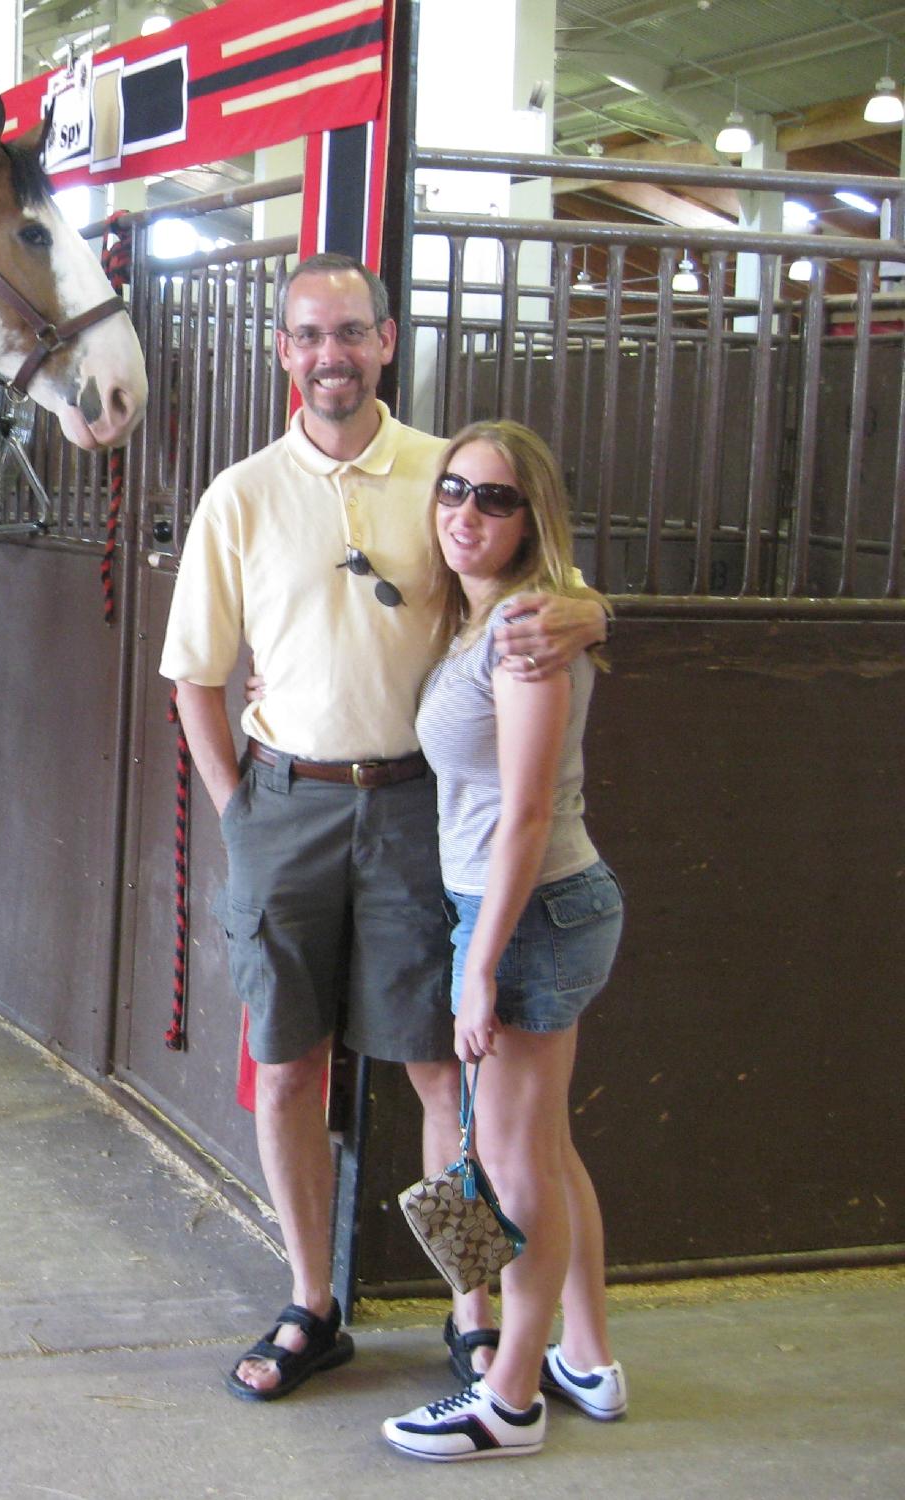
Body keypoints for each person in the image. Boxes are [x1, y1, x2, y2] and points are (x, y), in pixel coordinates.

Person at [159, 254, 607, 1402]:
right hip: (284, 800)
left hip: (416, 811)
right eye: (307, 335)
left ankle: (472, 1310)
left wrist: (581, 608)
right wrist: (240, 813)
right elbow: (191, 677)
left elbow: (531, 569)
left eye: (349, 333)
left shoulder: (442, 475)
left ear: (385, 342)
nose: (329, 356)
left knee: (436, 1073)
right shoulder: (239, 494)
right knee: (286, 1064)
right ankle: (311, 1301)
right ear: (281, 351)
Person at [381, 421, 624, 1461]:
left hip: (523, 912)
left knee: (514, 1162)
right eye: (450, 491)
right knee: (543, 1150)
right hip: (522, 907)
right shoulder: (483, 621)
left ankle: (509, 1396)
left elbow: (524, 812)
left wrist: (478, 965)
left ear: (531, 522)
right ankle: (587, 1358)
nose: (463, 514)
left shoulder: (525, 631)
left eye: (493, 499)